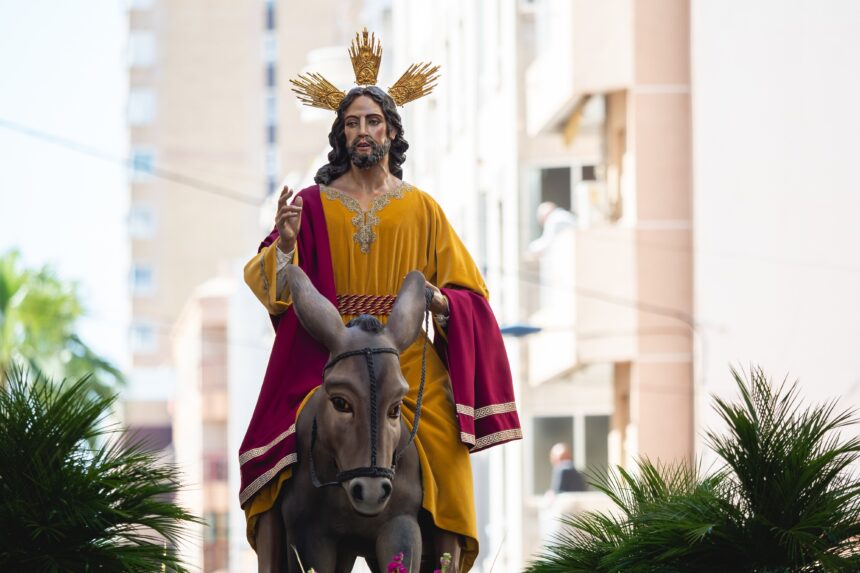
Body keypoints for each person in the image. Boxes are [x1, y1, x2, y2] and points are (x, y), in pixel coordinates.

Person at [238, 30, 521, 572]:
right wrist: (289, 242)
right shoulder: (312, 204)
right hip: (330, 352)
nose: (362, 131)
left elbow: (470, 294)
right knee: (275, 444)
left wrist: (439, 302)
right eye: (352, 123)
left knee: (441, 440)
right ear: (340, 136)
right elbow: (268, 280)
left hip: (404, 356)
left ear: (392, 130)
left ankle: (442, 551)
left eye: (372, 121)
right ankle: (278, 554)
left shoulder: (423, 209)